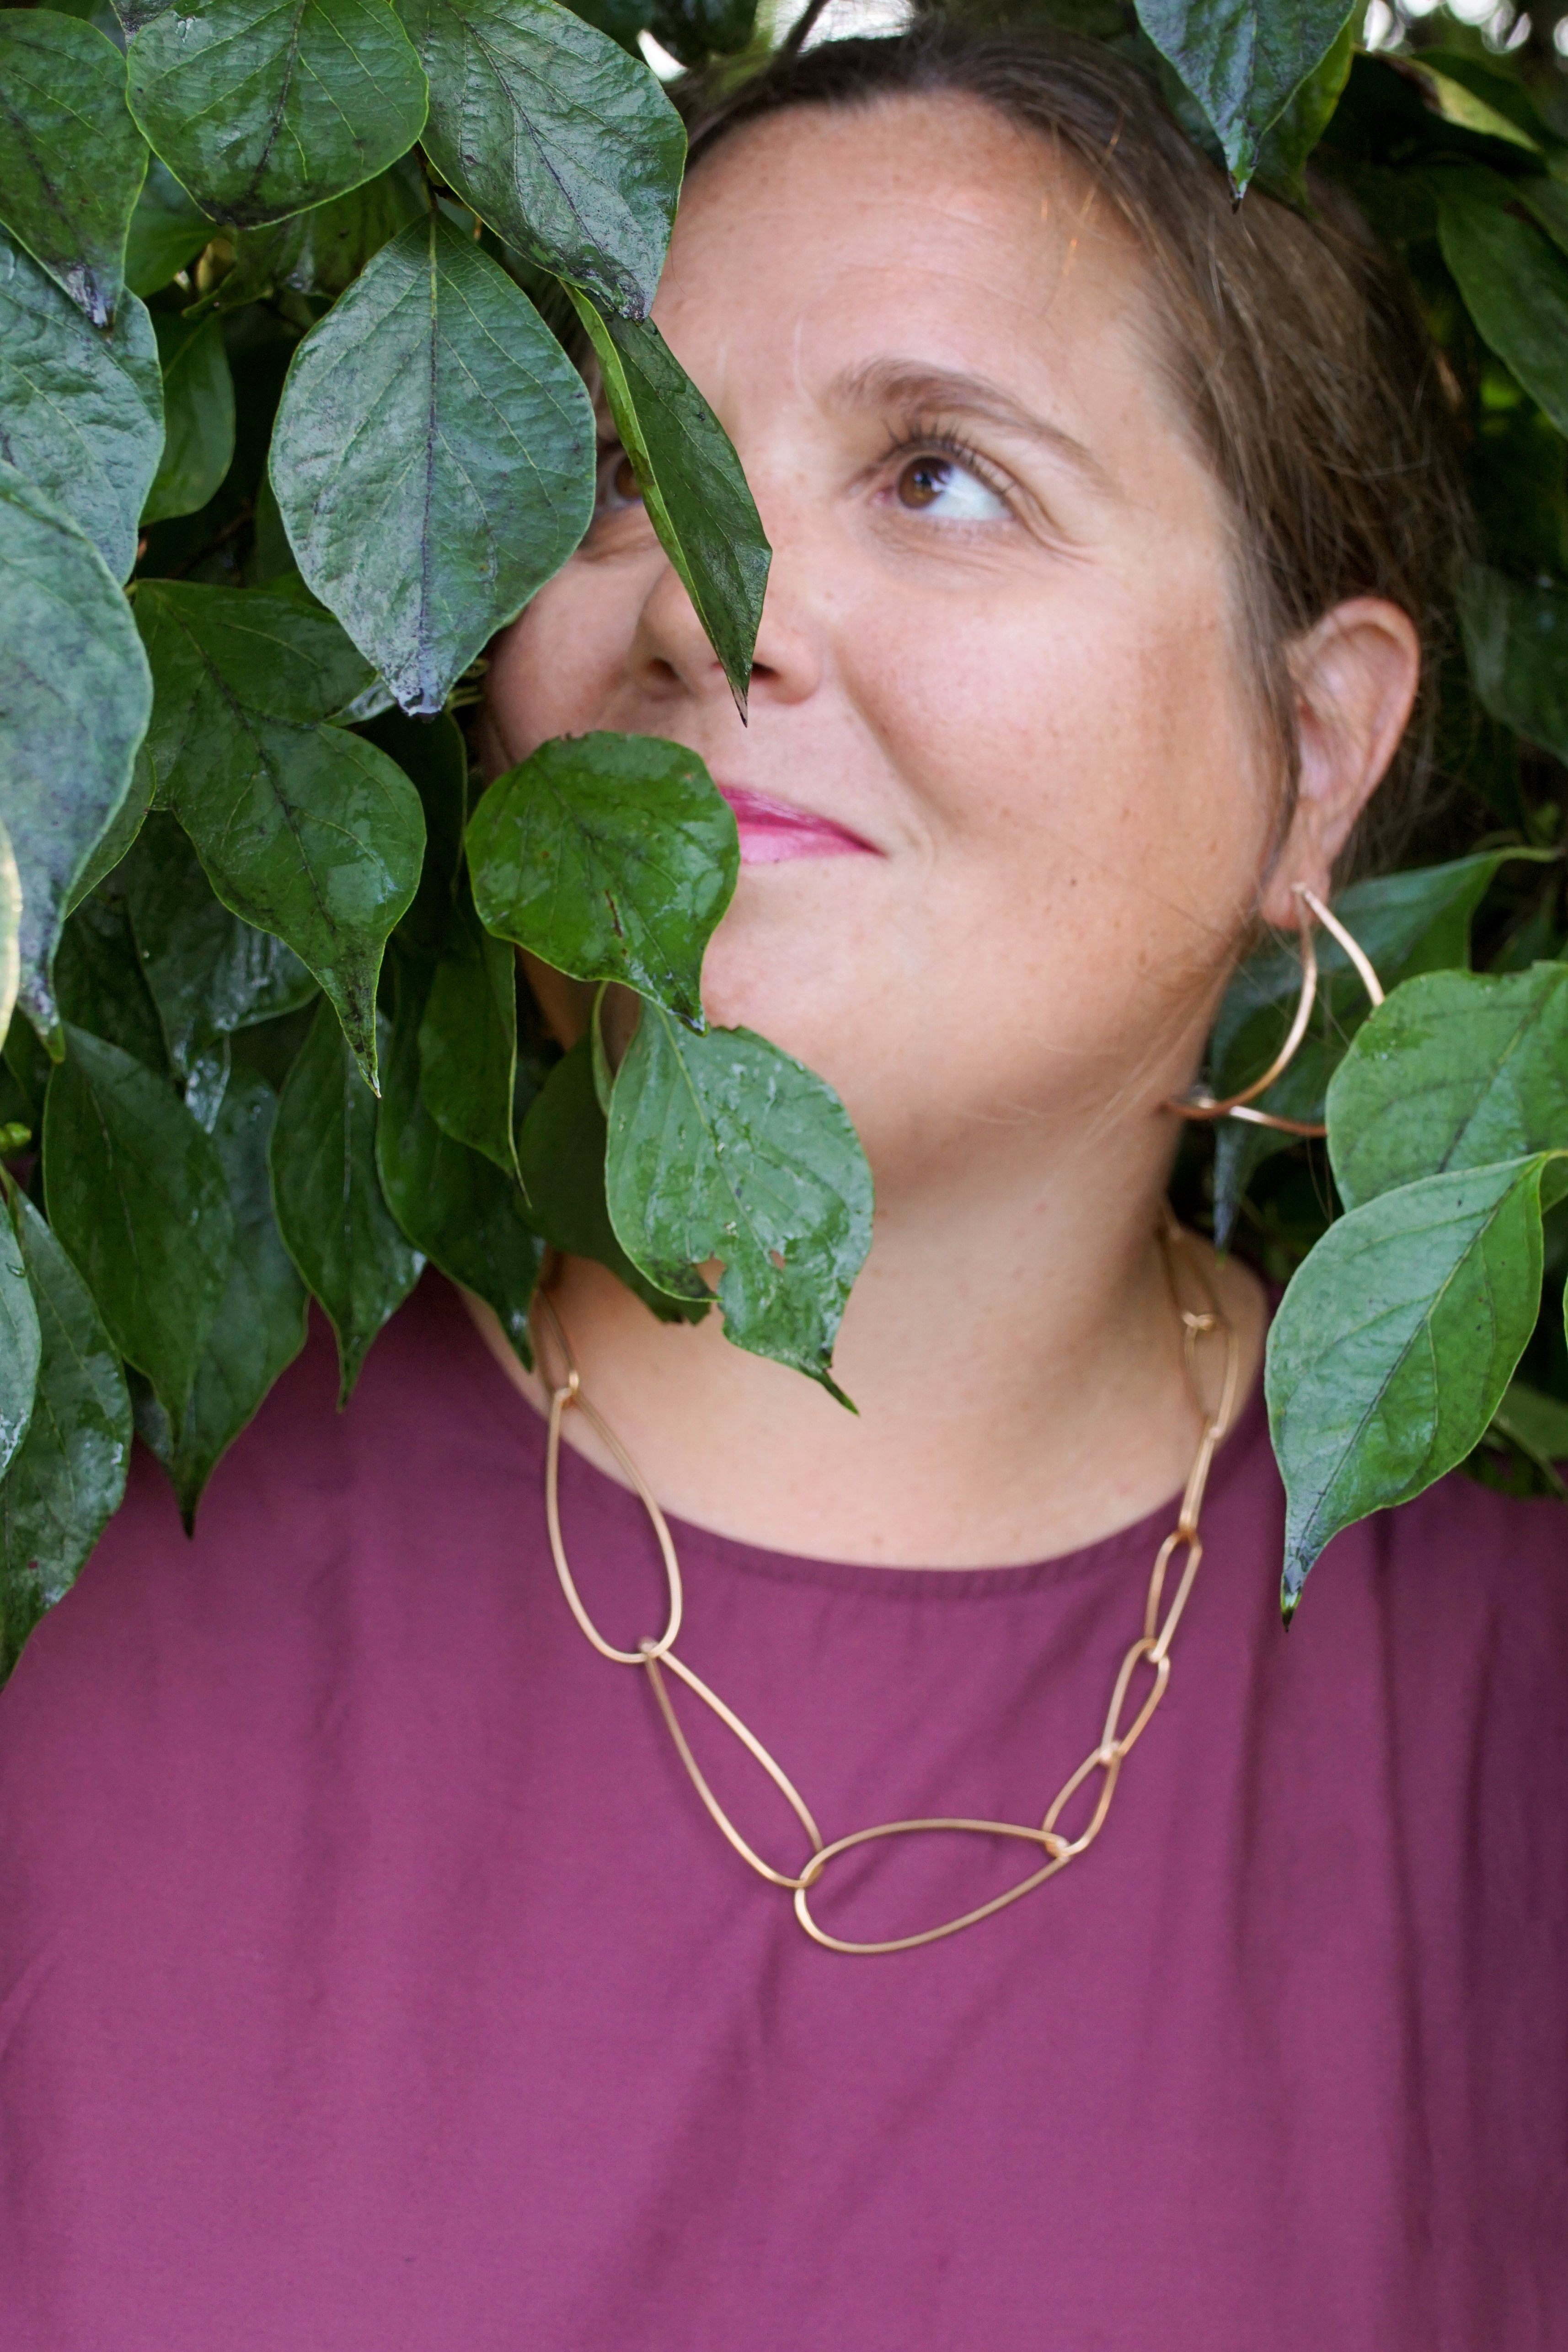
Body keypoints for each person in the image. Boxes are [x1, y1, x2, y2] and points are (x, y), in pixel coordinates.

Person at [2, 22, 1565, 2350]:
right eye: (627, 473)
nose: (704, 609)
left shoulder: (1510, 1747)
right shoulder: (82, 1634)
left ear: (1310, 756)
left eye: (942, 476)